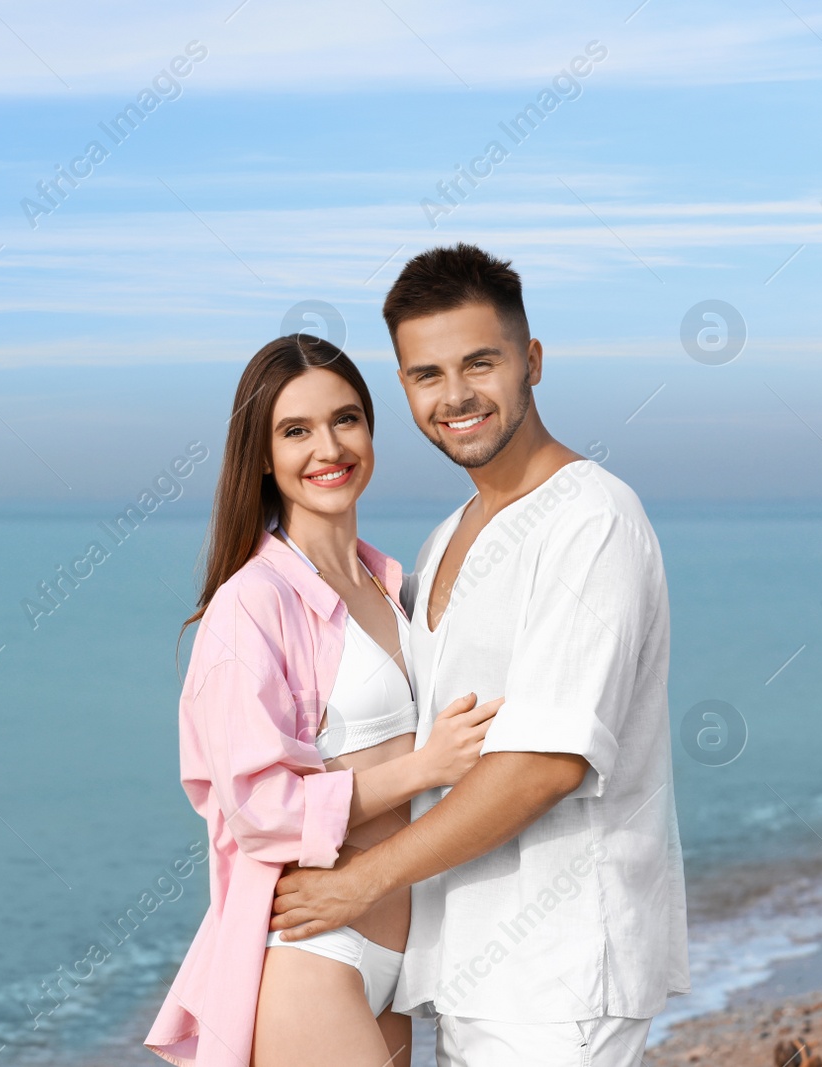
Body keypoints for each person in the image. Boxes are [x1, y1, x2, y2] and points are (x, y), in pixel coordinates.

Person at [270, 244, 690, 1066]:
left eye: (480, 363)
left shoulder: (591, 519)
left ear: (530, 361)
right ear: (404, 388)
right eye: (426, 374)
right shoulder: (441, 541)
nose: (455, 395)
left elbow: (544, 763)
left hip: (561, 979)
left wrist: (360, 883)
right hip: (466, 969)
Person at [144, 334, 499, 1067]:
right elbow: (258, 810)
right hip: (316, 950)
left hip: (402, 957)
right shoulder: (251, 604)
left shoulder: (392, 584)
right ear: (262, 455)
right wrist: (425, 766)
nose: (328, 447)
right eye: (295, 430)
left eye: (346, 419)